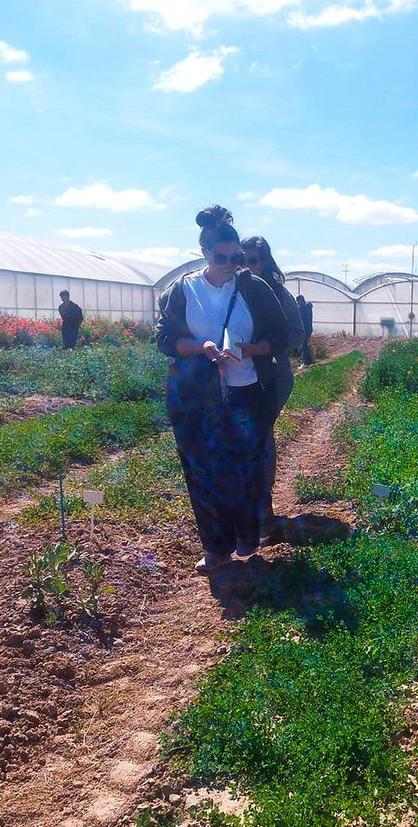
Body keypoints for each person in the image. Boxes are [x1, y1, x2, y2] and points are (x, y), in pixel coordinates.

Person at [156, 206, 287, 572]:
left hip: (245, 390)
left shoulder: (252, 287)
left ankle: (246, 533)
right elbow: (165, 339)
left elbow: (280, 336)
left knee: (243, 465)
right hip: (195, 392)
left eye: (237, 257)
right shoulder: (182, 291)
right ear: (204, 254)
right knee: (201, 468)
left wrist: (250, 348)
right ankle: (215, 547)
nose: (231, 263)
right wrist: (202, 348)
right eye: (222, 257)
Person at [241, 236, 304, 542]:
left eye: (252, 260)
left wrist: (262, 347)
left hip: (272, 376)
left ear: (264, 262)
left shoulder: (275, 292)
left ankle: (263, 513)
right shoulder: (232, 290)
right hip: (240, 376)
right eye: (241, 259)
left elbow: (296, 333)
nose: (246, 266)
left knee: (260, 436)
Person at [297, 294, 314, 366]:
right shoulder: (305, 307)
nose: (298, 304)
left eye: (298, 302)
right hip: (307, 328)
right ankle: (309, 361)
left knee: (303, 345)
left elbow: (303, 319)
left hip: (306, 329)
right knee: (304, 344)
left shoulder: (305, 308)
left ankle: (305, 362)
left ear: (302, 300)